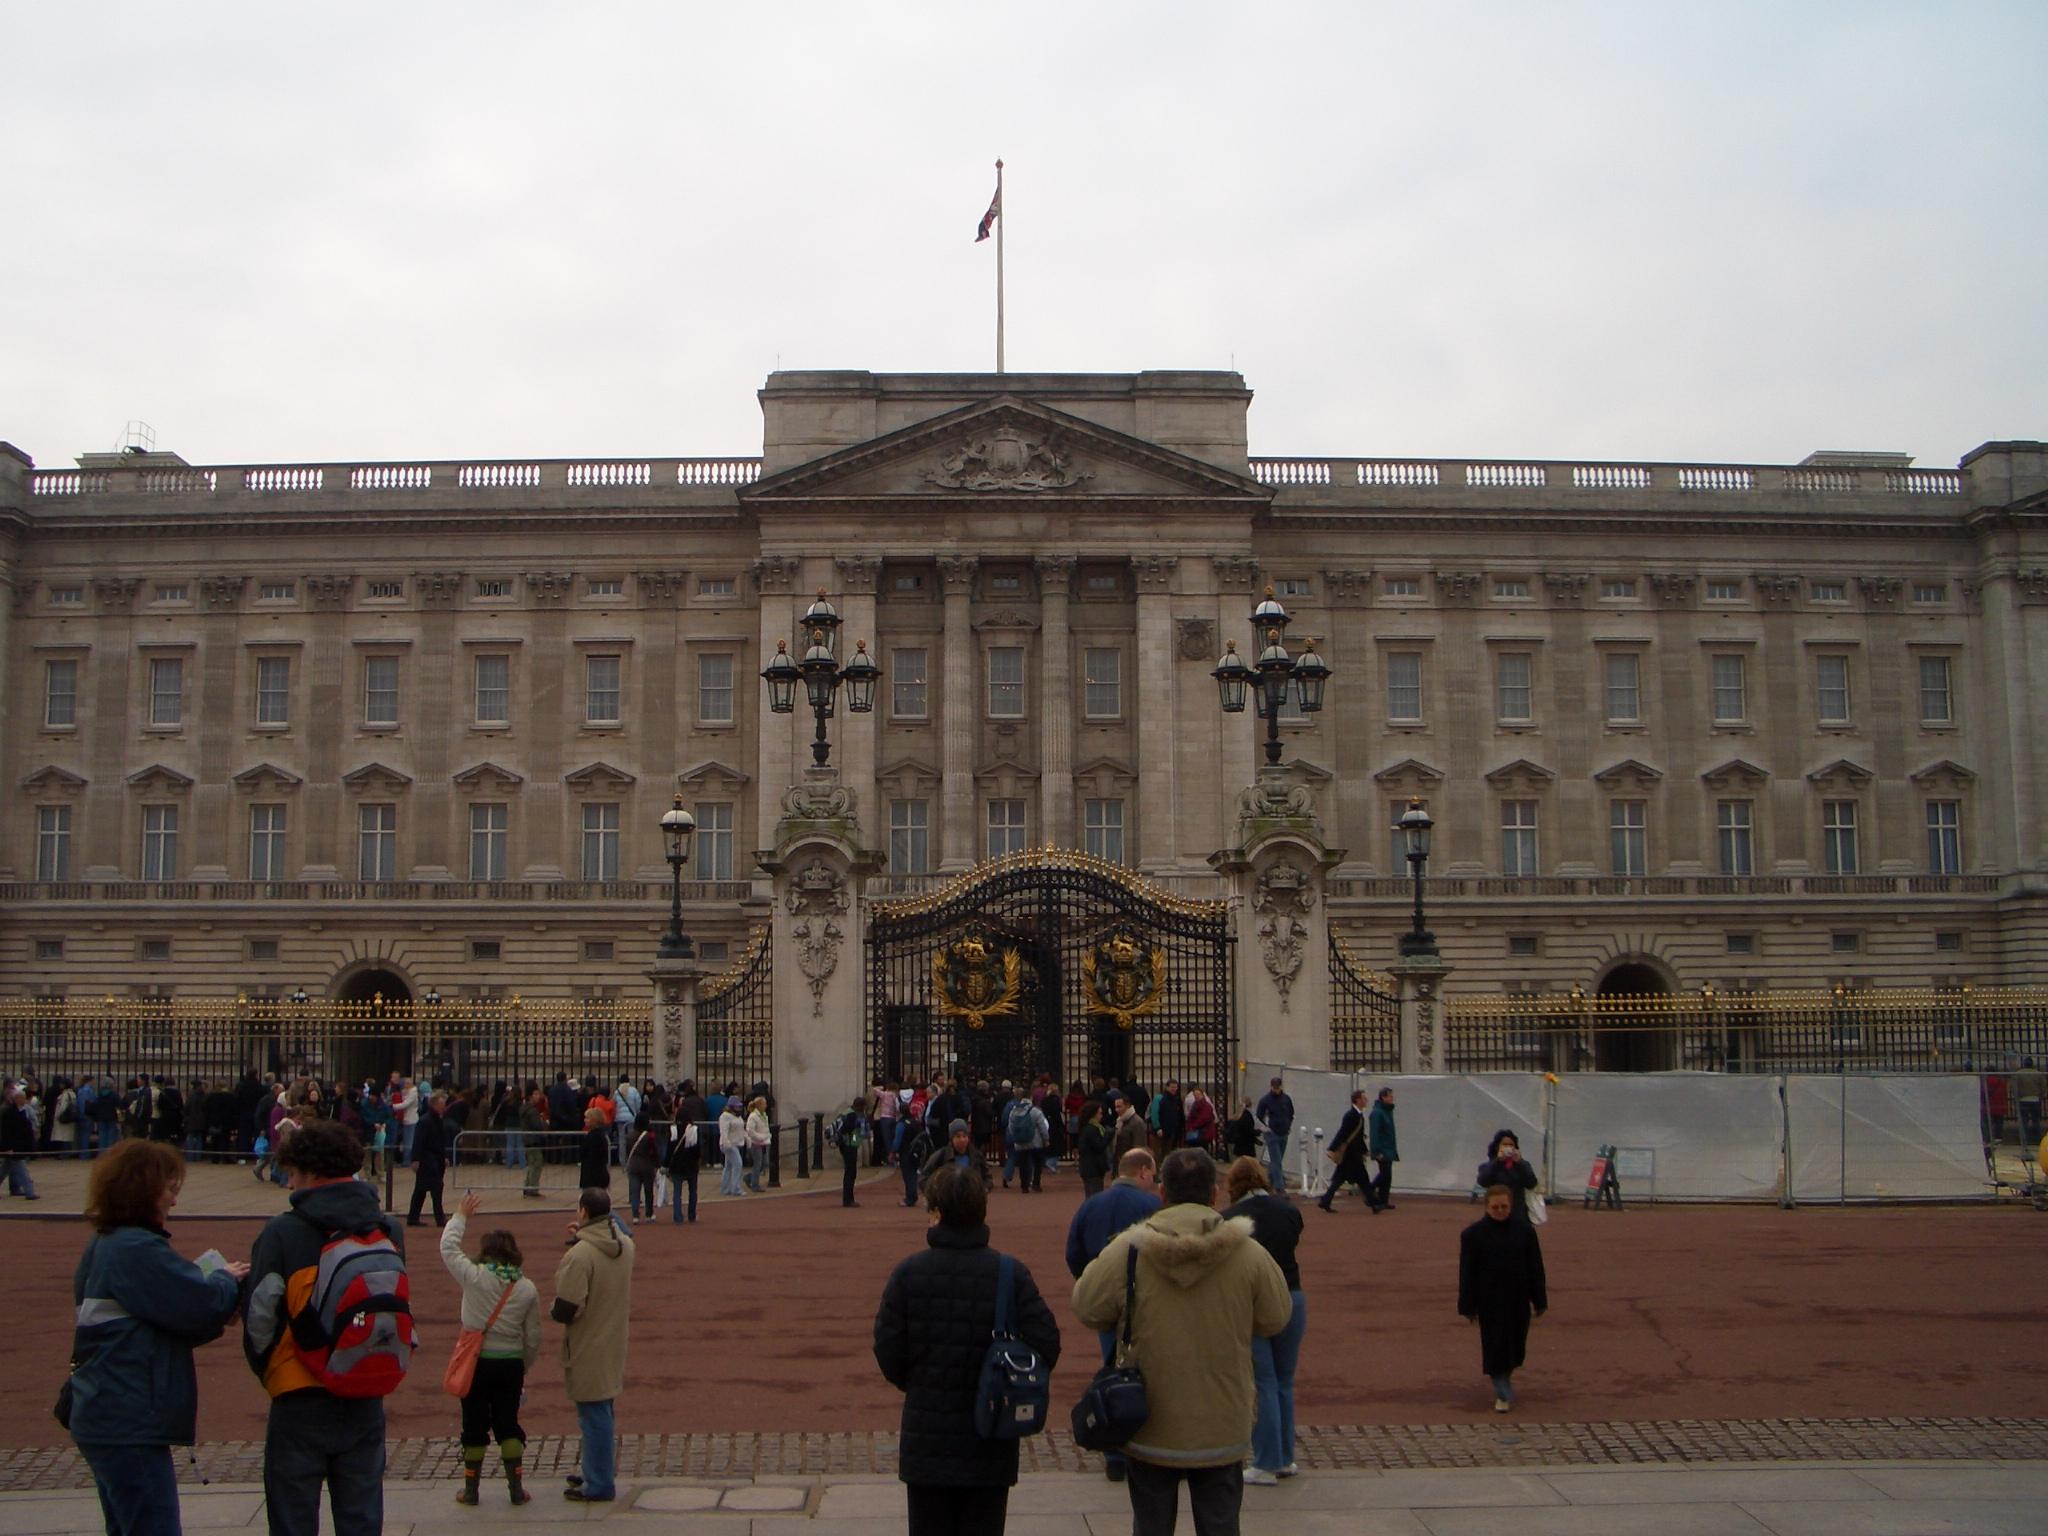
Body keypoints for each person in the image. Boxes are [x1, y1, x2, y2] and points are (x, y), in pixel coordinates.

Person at [1074, 1149, 1291, 1535]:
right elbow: (1276, 1317)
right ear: (1214, 1195)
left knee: (1151, 1525)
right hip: (1221, 1420)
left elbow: (1087, 1306)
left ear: (1162, 1193)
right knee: (1221, 1525)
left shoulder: (1129, 1250)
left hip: (1149, 1417)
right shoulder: (1248, 1253)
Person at [68, 1141, 249, 1536]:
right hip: (129, 1414)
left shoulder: (107, 1242)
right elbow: (200, 1305)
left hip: (106, 1409)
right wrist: (225, 1279)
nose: (173, 1199)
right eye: (169, 1188)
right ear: (144, 1190)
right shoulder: (135, 1247)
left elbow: (164, 1317)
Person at [873, 1164, 1062, 1535]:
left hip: (928, 1433)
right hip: (991, 1431)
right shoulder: (1010, 1273)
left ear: (937, 1212)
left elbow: (888, 1349)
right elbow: (1047, 1343)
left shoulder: (909, 1272)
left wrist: (919, 1382)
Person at [243, 1119, 404, 1536]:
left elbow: (260, 1317)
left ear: (310, 1172)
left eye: (293, 1174)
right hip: (365, 1382)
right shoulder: (387, 1229)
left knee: (293, 1518)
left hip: (299, 1389)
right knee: (361, 1517)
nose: (290, 1183)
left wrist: (270, 1370)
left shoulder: (283, 1231)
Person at [1064, 1148, 1160, 1484]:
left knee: (1113, 1372)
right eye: (1153, 1173)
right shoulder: (1153, 1206)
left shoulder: (1092, 1205)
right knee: (1152, 1375)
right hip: (1147, 1302)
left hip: (1107, 1304)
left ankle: (1115, 1451)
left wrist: (1090, 1283)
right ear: (1143, 1172)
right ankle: (1148, 1447)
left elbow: (1073, 1252)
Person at [441, 1193, 542, 1505]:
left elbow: (448, 1248)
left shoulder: (474, 1277)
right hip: (510, 1362)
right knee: (508, 1424)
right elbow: (533, 1336)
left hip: (476, 1361)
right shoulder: (526, 1288)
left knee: (473, 1423)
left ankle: (471, 1490)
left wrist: (460, 1216)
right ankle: (516, 1489)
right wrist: (523, 1364)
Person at [1222, 1156, 1305, 1485]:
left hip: (1253, 1301)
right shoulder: (1289, 1211)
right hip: (1292, 1294)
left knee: (1264, 1381)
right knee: (1284, 1380)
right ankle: (1285, 1457)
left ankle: (1266, 1461)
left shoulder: (1230, 1218)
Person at [553, 1187, 635, 1502]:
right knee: (602, 1408)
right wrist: (589, 1230)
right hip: (613, 1336)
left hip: (588, 1340)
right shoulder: (624, 1246)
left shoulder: (580, 1255)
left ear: (584, 1212)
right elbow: (620, 1229)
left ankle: (599, 1481)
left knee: (593, 1414)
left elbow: (567, 1308)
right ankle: (594, 1470)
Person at [1459, 1184, 1548, 1412]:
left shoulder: (1525, 1231)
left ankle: (1505, 1377)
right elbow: (1467, 1272)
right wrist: (1467, 1306)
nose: (1500, 1211)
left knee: (1516, 1345)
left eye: (1504, 1207)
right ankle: (1501, 1390)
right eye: (1495, 1207)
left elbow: (1535, 1267)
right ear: (1486, 1207)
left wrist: (1539, 1300)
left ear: (1511, 1206)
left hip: (1518, 1298)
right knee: (1495, 1345)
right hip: (1489, 1300)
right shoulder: (1472, 1235)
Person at [1318, 1090, 1371, 1214]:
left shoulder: (1357, 1115)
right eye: (1364, 1098)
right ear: (1357, 1100)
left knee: (1339, 1180)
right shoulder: (1352, 1115)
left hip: (1351, 1154)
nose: (1366, 1101)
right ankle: (1374, 1202)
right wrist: (1332, 1149)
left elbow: (1357, 1136)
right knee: (1363, 1179)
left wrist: (1364, 1150)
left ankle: (1325, 1201)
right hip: (1351, 1154)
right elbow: (1342, 1133)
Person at [1476, 1129, 1541, 1223]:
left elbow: (1532, 1183)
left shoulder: (1523, 1165)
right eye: (1504, 1145)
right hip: (1496, 1211)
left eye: (1511, 1145)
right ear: (1497, 1147)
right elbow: (1483, 1181)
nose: (1508, 1148)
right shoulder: (1489, 1165)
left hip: (1518, 1213)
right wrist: (1498, 1161)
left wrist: (1520, 1163)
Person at [407, 1091, 450, 1227]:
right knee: (435, 1188)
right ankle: (439, 1218)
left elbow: (441, 1141)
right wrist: (415, 1159)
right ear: (434, 1105)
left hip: (435, 1158)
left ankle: (413, 1217)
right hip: (427, 1159)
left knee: (421, 1190)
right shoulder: (425, 1121)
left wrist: (444, 1156)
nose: (444, 1107)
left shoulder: (438, 1120)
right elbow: (418, 1141)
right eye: (442, 1104)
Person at [668, 1080, 707, 1222]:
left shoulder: (673, 1130)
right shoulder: (693, 1131)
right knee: (692, 1191)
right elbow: (697, 1150)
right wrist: (698, 1160)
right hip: (690, 1164)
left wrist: (665, 1164)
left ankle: (678, 1216)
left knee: (677, 1192)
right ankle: (691, 1214)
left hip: (677, 1163)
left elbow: (669, 1149)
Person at [920, 1119, 991, 1191]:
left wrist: (984, 1189)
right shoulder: (941, 1156)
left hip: (972, 1196)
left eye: (964, 1136)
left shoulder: (976, 1156)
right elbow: (923, 1178)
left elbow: (987, 1177)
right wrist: (935, 1192)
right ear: (951, 1139)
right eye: (958, 1136)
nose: (962, 1140)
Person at [1254, 1076, 1294, 1194]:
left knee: (1277, 1160)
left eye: (1277, 1087)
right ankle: (1280, 1187)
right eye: (1274, 1087)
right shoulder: (1265, 1100)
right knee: (1277, 1160)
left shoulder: (1286, 1099)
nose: (1276, 1090)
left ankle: (1268, 1181)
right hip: (1272, 1134)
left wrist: (1288, 1126)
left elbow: (1291, 1114)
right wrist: (1266, 1129)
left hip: (1284, 1132)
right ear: (1271, 1087)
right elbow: (1258, 1117)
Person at [1003, 1091, 1048, 1193]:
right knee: (1037, 1163)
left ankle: (1024, 1186)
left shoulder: (1014, 1111)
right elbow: (1042, 1127)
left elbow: (1010, 1127)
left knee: (1023, 1164)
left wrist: (1015, 1137)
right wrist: (1046, 1139)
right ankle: (1036, 1184)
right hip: (1035, 1142)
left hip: (1020, 1141)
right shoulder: (1036, 1111)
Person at [623, 1113, 661, 1224]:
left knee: (634, 1192)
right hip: (647, 1165)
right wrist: (657, 1164)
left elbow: (627, 1151)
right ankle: (649, 1214)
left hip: (633, 1165)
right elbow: (653, 1152)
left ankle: (635, 1215)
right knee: (648, 1191)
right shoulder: (649, 1136)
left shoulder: (629, 1136)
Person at [3, 1083, 38, 1199]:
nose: (25, 1100)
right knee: (22, 1171)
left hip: (19, 1146)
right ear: (17, 1099)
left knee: (4, 1170)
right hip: (14, 1146)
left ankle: (20, 1190)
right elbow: (6, 1132)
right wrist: (8, 1147)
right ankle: (30, 1192)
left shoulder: (22, 1111)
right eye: (22, 1098)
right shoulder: (9, 1113)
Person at [1367, 1086, 1399, 1212]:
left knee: (1387, 1176)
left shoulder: (1387, 1111)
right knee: (1385, 1174)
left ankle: (1383, 1200)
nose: (1392, 1098)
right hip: (1382, 1149)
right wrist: (1377, 1151)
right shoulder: (1377, 1113)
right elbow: (1374, 1134)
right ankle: (1369, 1190)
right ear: (1383, 1097)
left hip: (1388, 1148)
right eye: (1390, 1096)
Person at [832, 1096, 865, 1208]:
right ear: (860, 1106)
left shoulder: (847, 1112)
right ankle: (848, 1199)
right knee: (850, 1173)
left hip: (847, 1144)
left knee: (850, 1172)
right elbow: (848, 1129)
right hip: (849, 1145)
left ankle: (849, 1199)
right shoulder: (852, 1115)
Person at [1075, 1099, 1111, 1198]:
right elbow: (1099, 1147)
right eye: (1099, 1113)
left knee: (1091, 1196)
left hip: (1089, 1168)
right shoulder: (1091, 1129)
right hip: (1093, 1168)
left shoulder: (1087, 1128)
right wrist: (1108, 1135)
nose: (1101, 1116)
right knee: (1095, 1197)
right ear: (1093, 1114)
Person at [717, 1098, 748, 1197]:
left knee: (729, 1166)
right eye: (737, 1107)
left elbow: (741, 1129)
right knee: (738, 1164)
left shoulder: (738, 1117)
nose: (739, 1108)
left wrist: (747, 1137)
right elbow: (723, 1131)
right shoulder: (725, 1116)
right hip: (728, 1144)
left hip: (736, 1143)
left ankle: (725, 1188)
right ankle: (736, 1188)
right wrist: (726, 1142)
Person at [578, 1107, 612, 1193]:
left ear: (594, 1120)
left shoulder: (593, 1136)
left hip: (592, 1177)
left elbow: (587, 1155)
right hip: (598, 1175)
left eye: (587, 1118)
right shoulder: (600, 1135)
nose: (585, 1120)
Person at [743, 1096, 772, 1193]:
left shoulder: (764, 1115)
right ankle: (754, 1185)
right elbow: (750, 1131)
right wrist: (760, 1137)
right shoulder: (753, 1116)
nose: (766, 1105)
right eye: (764, 1103)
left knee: (765, 1163)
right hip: (756, 1144)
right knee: (758, 1164)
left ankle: (749, 1177)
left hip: (764, 1143)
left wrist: (767, 1137)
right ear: (759, 1105)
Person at [1110, 1094, 1149, 1165]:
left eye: (1119, 1107)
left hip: (1130, 1163)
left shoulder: (1137, 1122)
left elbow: (1139, 1146)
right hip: (1121, 1161)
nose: (1116, 1110)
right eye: (1115, 1107)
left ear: (1127, 1105)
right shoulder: (1120, 1121)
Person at [2016, 1057, 2044, 1148]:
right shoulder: (2038, 1074)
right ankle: (2038, 1139)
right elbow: (2043, 1086)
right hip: (2035, 1099)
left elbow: (2015, 1086)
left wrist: (2017, 1096)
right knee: (2036, 1120)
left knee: (2024, 1121)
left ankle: (2024, 1140)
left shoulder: (2018, 1074)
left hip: (2023, 1099)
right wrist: (2041, 1096)